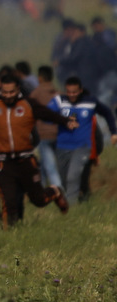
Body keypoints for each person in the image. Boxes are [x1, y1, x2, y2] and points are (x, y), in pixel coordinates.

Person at [0, 73, 71, 227]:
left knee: (38, 200)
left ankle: (55, 191)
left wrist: (66, 121)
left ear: (17, 89)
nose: (8, 95)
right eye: (5, 92)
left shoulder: (27, 104)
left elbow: (47, 114)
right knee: (8, 200)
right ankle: (9, 235)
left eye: (11, 92)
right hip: (4, 162)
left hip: (26, 161)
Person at [50, 76, 117, 205]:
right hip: (64, 149)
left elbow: (98, 136)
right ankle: (82, 202)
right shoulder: (61, 107)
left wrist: (112, 134)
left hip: (85, 150)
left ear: (80, 91)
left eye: (74, 92)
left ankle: (74, 208)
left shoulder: (91, 117)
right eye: (69, 92)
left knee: (76, 178)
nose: (72, 95)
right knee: (68, 179)